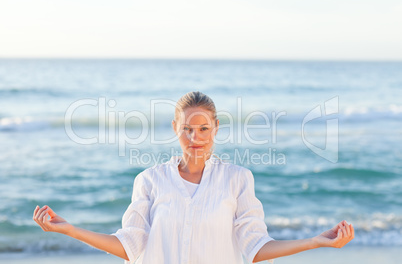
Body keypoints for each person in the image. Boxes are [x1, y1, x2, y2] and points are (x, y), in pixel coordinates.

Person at [33, 91, 354, 263]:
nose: (195, 137)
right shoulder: (149, 180)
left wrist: (315, 242)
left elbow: (256, 248)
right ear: (175, 129)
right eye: (187, 128)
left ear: (216, 129)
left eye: (203, 129)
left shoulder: (238, 179)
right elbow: (130, 246)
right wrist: (71, 230)